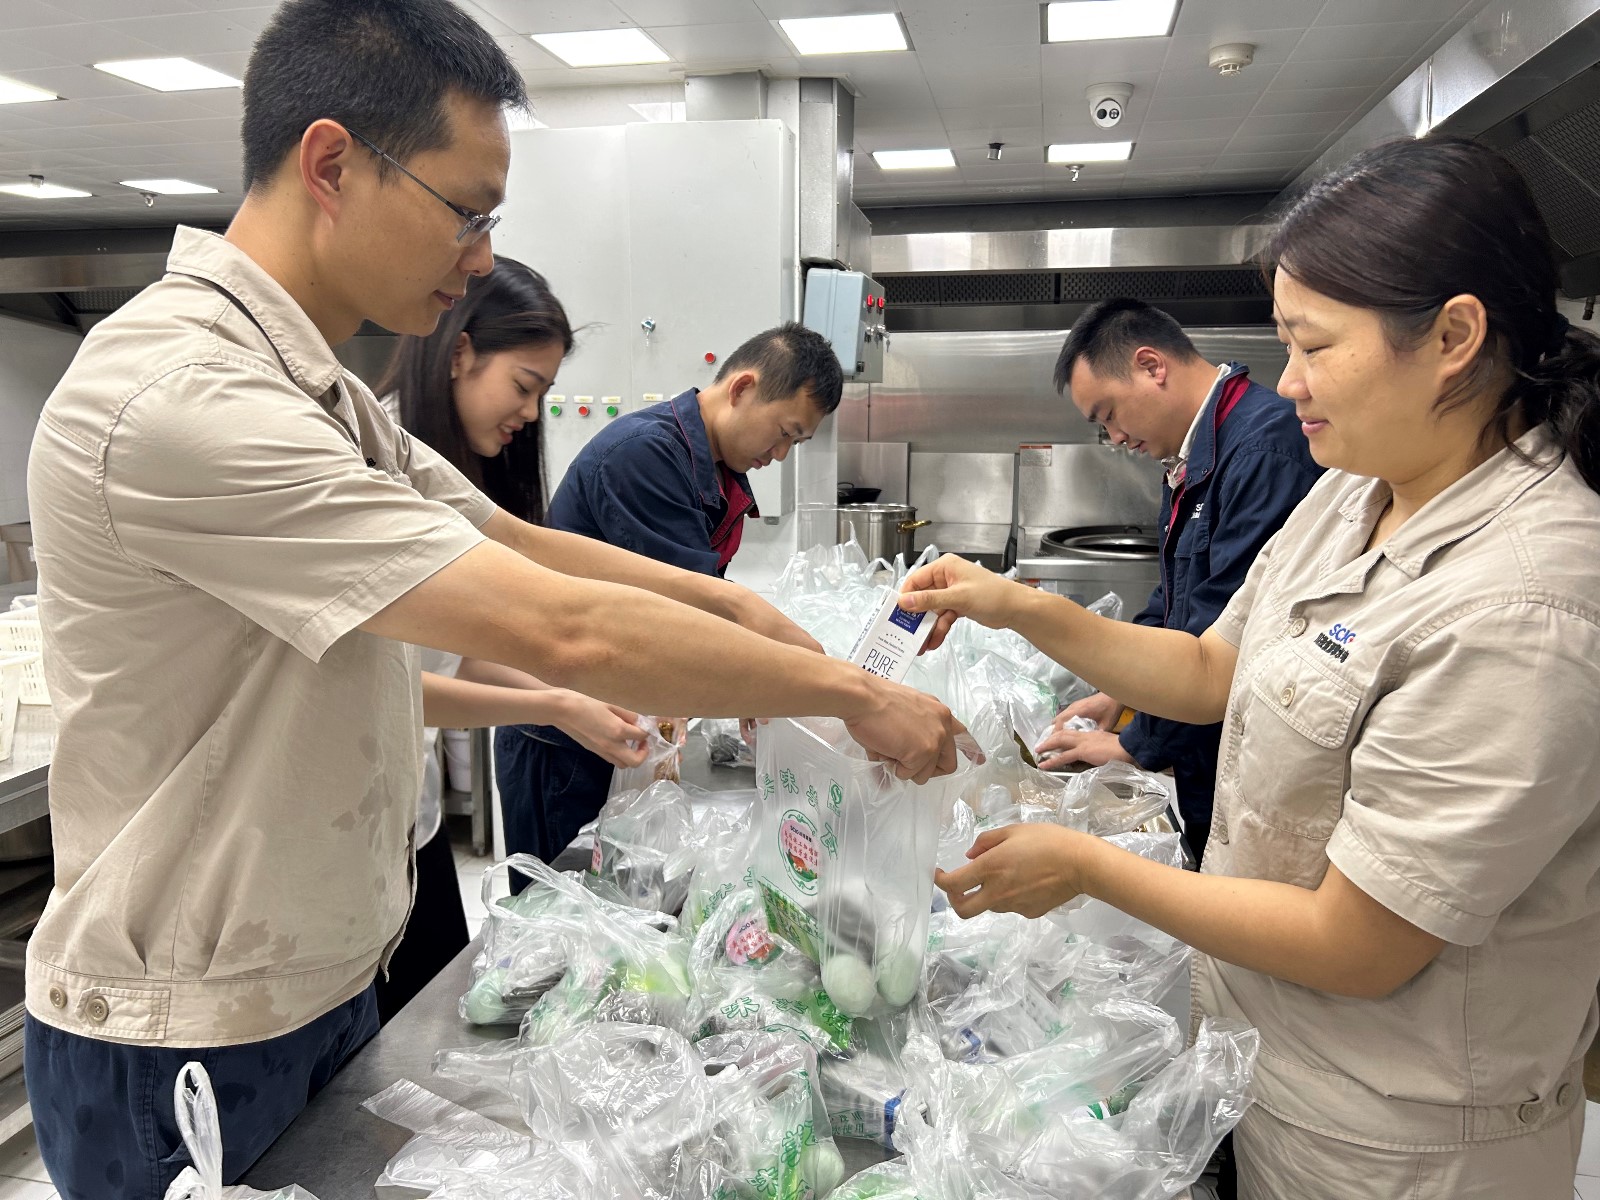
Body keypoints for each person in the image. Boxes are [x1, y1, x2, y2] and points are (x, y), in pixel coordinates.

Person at [20, 3, 960, 1197]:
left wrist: (746, 617)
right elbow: (561, 626)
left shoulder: (321, 397)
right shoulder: (182, 397)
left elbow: (521, 542)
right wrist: (847, 693)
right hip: (185, 1035)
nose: (478, 258)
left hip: (313, 984)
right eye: (466, 212)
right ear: (331, 166)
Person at [897, 135, 1600, 1199]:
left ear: (1454, 336)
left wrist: (1087, 867)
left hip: (1399, 1137)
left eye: (1313, 346)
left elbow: (1358, 942)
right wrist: (1013, 605)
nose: (1290, 382)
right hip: (1276, 1066)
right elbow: (1206, 668)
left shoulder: (1525, 604)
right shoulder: (1355, 487)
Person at [371, 256, 651, 1022]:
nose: (530, 413)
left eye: (542, 394)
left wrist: (577, 697)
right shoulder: (375, 469)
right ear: (459, 352)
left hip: (412, 818)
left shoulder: (447, 468)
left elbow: (462, 650)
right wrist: (560, 700)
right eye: (523, 386)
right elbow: (391, 687)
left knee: (434, 1018)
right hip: (357, 833)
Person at [495, 323, 843, 867]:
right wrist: (788, 683)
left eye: (794, 444)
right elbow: (693, 608)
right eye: (783, 432)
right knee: (558, 901)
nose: (779, 455)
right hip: (565, 740)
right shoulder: (645, 455)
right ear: (743, 388)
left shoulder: (716, 469)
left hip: (616, 716)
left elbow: (700, 602)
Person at [1033, 298, 1322, 861]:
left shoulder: (1264, 452)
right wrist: (1119, 691)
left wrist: (1135, 745)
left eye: (1109, 414)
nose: (1115, 437)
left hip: (1241, 760)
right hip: (1201, 757)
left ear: (1151, 366)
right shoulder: (1196, 453)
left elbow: (1224, 641)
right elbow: (1174, 601)